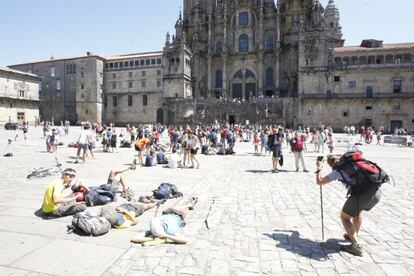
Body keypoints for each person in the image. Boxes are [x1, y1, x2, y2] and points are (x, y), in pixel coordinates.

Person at [315, 155, 382, 256]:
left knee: (345, 217)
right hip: (376, 192)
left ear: (331, 164)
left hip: (362, 196)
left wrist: (319, 168)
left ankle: (356, 245)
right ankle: (353, 234)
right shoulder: (353, 165)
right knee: (356, 212)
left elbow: (319, 182)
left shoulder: (337, 172)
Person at [131, 197, 198, 244]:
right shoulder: (170, 231)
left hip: (166, 213)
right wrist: (166, 236)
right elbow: (185, 240)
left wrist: (153, 238)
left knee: (178, 207)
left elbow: (135, 238)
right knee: (184, 210)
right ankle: (190, 204)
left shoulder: (152, 230)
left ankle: (189, 204)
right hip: (178, 216)